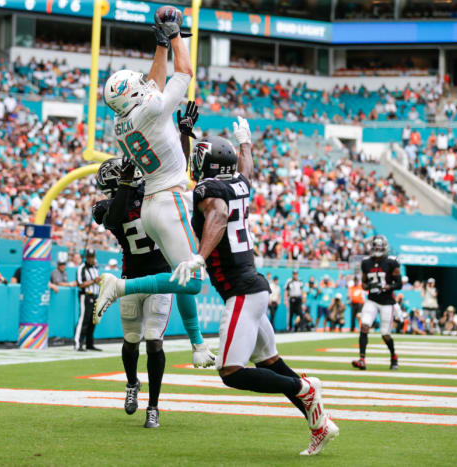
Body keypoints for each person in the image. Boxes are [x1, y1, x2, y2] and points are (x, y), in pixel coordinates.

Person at [173, 121, 338, 456]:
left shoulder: (208, 191)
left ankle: (304, 388)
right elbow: (245, 170)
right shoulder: (239, 183)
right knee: (270, 362)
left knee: (231, 372)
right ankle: (320, 424)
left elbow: (217, 216)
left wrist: (200, 257)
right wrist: (245, 144)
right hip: (254, 286)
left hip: (242, 291)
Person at [94, 16, 214, 368]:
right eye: (139, 85)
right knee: (192, 280)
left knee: (180, 273)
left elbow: (153, 84)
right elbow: (185, 73)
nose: (146, 84)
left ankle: (197, 344)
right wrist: (176, 37)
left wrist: (160, 44)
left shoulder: (122, 123)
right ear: (135, 93)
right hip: (170, 198)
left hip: (151, 205)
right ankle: (120, 287)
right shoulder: (151, 109)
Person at [93, 157, 173, 428]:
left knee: (154, 340)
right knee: (130, 340)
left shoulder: (150, 192)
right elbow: (114, 217)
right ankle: (131, 383)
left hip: (160, 276)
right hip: (130, 279)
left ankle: (153, 406)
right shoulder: (106, 207)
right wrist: (127, 185)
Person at [352, 235, 402, 371]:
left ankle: (394, 356)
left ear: (384, 248)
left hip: (387, 302)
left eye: (380, 247)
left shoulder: (392, 262)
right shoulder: (366, 262)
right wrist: (367, 286)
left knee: (385, 334)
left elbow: (399, 284)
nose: (377, 249)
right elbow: (363, 284)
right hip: (372, 300)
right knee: (364, 326)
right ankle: (362, 359)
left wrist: (388, 287)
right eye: (376, 247)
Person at [76, 248, 101, 351]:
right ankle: (78, 343)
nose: (91, 259)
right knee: (84, 320)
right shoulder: (81, 268)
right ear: (86, 257)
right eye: (89, 257)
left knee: (92, 321)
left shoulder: (95, 268)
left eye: (92, 257)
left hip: (95, 296)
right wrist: (94, 281)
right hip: (85, 296)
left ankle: (89, 344)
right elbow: (81, 284)